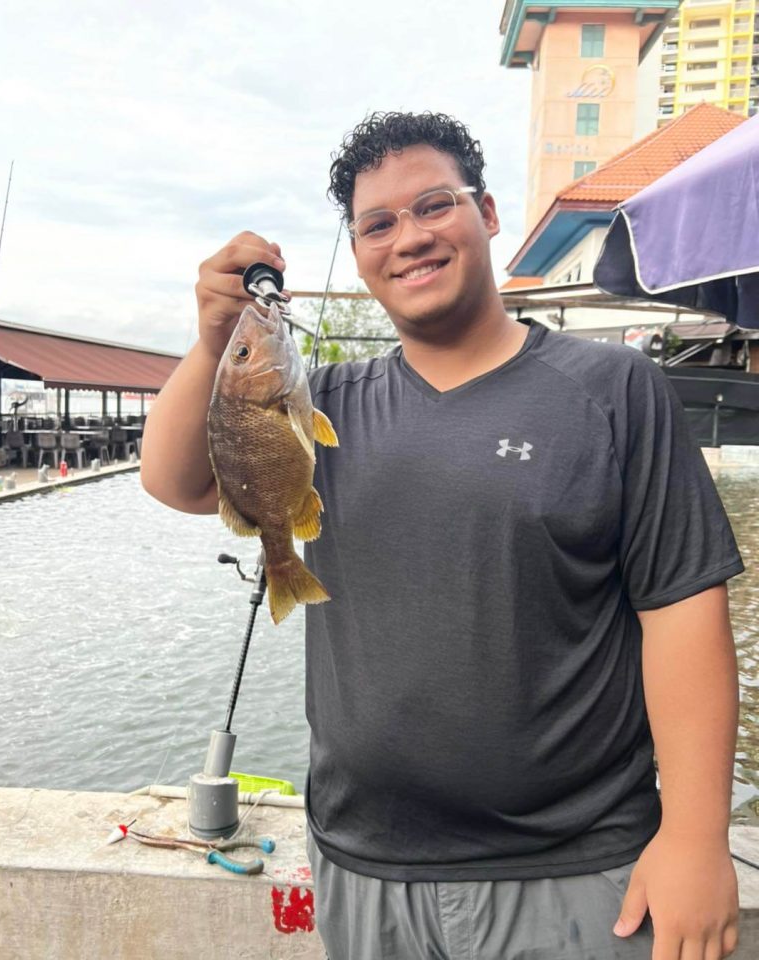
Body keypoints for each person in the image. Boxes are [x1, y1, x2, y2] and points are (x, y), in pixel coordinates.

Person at [141, 111, 744, 960]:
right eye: (376, 224)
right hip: (365, 870)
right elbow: (176, 481)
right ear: (356, 252)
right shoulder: (326, 410)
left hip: (579, 869)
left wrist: (695, 838)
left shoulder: (615, 389)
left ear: (488, 212)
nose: (409, 239)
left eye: (434, 206)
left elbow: (681, 615)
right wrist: (215, 343)